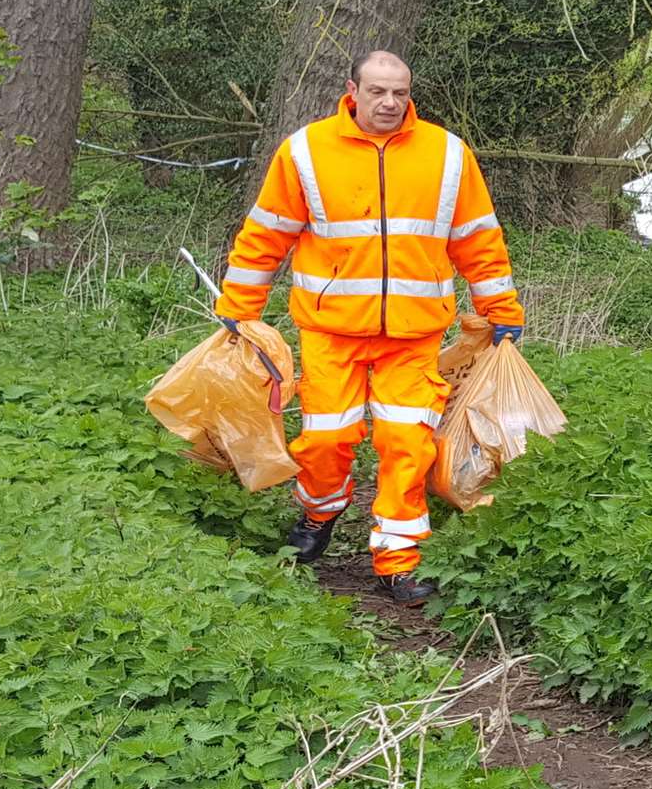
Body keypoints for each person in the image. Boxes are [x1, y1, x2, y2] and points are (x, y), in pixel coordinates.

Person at [213, 51, 524, 606]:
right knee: (327, 438)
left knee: (406, 442)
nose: (388, 103)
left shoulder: (448, 154)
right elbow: (266, 233)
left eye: (399, 92)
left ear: (410, 94)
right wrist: (240, 304)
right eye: (377, 91)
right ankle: (320, 513)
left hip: (414, 333)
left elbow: (478, 238)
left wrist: (501, 309)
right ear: (351, 90)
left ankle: (396, 561)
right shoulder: (305, 151)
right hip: (332, 330)